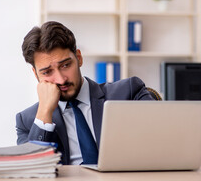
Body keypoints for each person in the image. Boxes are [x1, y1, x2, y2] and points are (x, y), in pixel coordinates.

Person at [16, 21, 154, 165]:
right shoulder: (27, 121)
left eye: (65, 65)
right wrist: (45, 111)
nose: (61, 79)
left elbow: (162, 140)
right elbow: (33, 171)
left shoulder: (128, 93)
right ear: (36, 74)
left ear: (79, 58)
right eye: (47, 72)